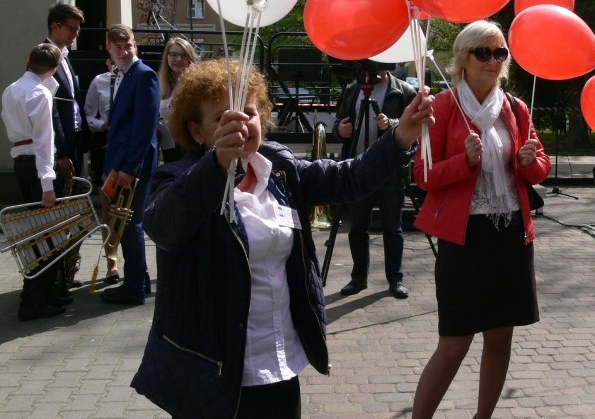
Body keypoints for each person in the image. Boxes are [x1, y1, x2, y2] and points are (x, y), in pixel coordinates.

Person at [129, 58, 434, 419]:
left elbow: (348, 178)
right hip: (212, 370)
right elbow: (164, 226)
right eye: (223, 119)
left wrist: (400, 138)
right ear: (197, 131)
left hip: (278, 362)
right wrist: (217, 166)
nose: (241, 126)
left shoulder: (280, 168)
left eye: (248, 113)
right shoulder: (176, 178)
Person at [411, 20, 551, 419]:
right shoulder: (442, 106)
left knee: (501, 336)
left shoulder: (516, 107)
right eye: (484, 52)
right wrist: (464, 161)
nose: (494, 60)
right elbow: (424, 176)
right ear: (463, 58)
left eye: (500, 52)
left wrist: (530, 162)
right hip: (464, 237)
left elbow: (540, 166)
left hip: (510, 236)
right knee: (454, 342)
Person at [332, 66, 418, 299]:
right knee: (358, 228)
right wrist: (340, 129)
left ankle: (395, 279)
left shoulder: (404, 91)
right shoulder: (352, 89)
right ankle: (358, 278)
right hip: (358, 170)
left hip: (391, 172)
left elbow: (415, 131)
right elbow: (338, 122)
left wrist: (392, 124)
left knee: (393, 228)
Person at [1, 43, 67, 320]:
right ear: (53, 69)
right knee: (47, 237)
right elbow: (44, 141)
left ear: (29, 61)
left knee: (37, 233)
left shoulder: (12, 88)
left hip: (22, 164)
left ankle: (43, 292)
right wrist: (48, 184)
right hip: (38, 166)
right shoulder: (40, 93)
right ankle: (33, 299)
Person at [99, 25, 160, 306]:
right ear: (109, 49)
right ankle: (140, 281)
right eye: (118, 48)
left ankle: (134, 287)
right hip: (120, 161)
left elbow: (145, 127)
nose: (124, 52)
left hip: (132, 165)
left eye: (128, 47)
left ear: (135, 45)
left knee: (130, 225)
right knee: (122, 224)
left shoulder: (144, 75)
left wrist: (129, 168)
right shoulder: (120, 74)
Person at [84, 58, 121, 284]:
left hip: (127, 151)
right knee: (108, 210)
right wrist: (101, 125)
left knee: (127, 212)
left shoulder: (138, 80)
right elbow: (87, 114)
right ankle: (112, 265)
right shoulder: (99, 82)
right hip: (106, 148)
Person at [45, 3, 89, 187]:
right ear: (55, 26)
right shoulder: (44, 56)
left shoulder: (64, 55)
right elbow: (49, 109)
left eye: (77, 29)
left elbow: (74, 99)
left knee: (71, 202)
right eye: (72, 29)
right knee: (58, 206)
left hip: (74, 137)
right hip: (60, 145)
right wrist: (61, 152)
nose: (76, 34)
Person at [156, 36, 198, 162]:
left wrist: (191, 78)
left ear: (190, 60)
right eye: (174, 55)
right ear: (167, 57)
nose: (178, 59)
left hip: (188, 141)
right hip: (168, 142)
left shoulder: (195, 82)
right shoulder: (160, 82)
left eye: (184, 56)